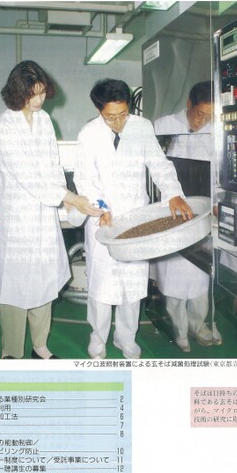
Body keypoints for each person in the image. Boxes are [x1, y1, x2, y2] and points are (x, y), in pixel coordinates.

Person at [73, 78, 193, 360]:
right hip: (103, 218)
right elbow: (85, 178)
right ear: (99, 110)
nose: (118, 123)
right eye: (111, 117)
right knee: (102, 286)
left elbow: (159, 165)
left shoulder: (141, 127)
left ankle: (126, 337)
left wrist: (174, 194)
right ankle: (98, 337)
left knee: (133, 284)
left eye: (123, 114)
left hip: (136, 217)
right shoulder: (88, 134)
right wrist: (101, 207)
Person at [0, 60, 100, 360]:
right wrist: (69, 197)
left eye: (41, 92)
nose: (38, 100)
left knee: (44, 280)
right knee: (15, 285)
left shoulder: (44, 121)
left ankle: (40, 346)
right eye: (32, 94)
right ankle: (11, 352)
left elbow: (53, 166)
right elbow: (27, 177)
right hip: (19, 217)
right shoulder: (4, 126)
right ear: (17, 92)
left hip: (43, 216)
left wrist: (70, 199)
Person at [151, 81, 222, 352]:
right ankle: (179, 331)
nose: (203, 120)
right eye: (200, 113)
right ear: (189, 104)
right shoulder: (164, 126)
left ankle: (198, 325)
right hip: (171, 211)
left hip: (203, 210)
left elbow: (220, 171)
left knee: (202, 273)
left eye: (209, 116)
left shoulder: (215, 130)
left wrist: (219, 201)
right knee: (175, 276)